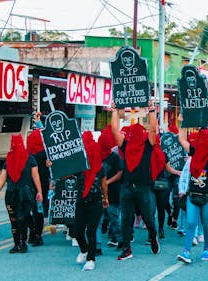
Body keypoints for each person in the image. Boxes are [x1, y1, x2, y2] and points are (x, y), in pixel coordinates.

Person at [110, 101, 160, 260]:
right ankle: (127, 248)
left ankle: (153, 237)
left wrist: (115, 112)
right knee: (125, 219)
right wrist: (115, 111)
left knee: (148, 218)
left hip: (142, 188)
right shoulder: (127, 146)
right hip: (127, 188)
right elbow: (114, 130)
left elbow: (153, 129)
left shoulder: (147, 145)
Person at [176, 115, 208, 264]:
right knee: (190, 223)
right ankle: (186, 251)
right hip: (193, 195)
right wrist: (182, 122)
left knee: (207, 225)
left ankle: (206, 250)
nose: (201, 141)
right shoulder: (194, 152)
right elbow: (182, 140)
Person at [0, 134, 43, 253]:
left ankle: (23, 242)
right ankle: (16, 244)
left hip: (24, 194)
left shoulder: (30, 158)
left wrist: (39, 191)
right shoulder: (10, 159)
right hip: (12, 193)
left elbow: (35, 176)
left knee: (22, 218)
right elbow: (2, 178)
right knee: (14, 219)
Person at [73, 131, 108, 271]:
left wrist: (105, 198)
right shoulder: (79, 165)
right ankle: (84, 249)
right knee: (78, 231)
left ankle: (91, 259)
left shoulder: (100, 167)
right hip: (81, 201)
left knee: (91, 231)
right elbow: (66, 173)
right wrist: (52, 165)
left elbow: (104, 183)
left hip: (95, 201)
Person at [97, 125, 124, 250]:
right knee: (97, 220)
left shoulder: (114, 156)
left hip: (112, 191)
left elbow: (120, 172)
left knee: (114, 218)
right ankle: (96, 245)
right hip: (98, 191)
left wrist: (107, 182)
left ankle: (120, 241)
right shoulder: (96, 155)